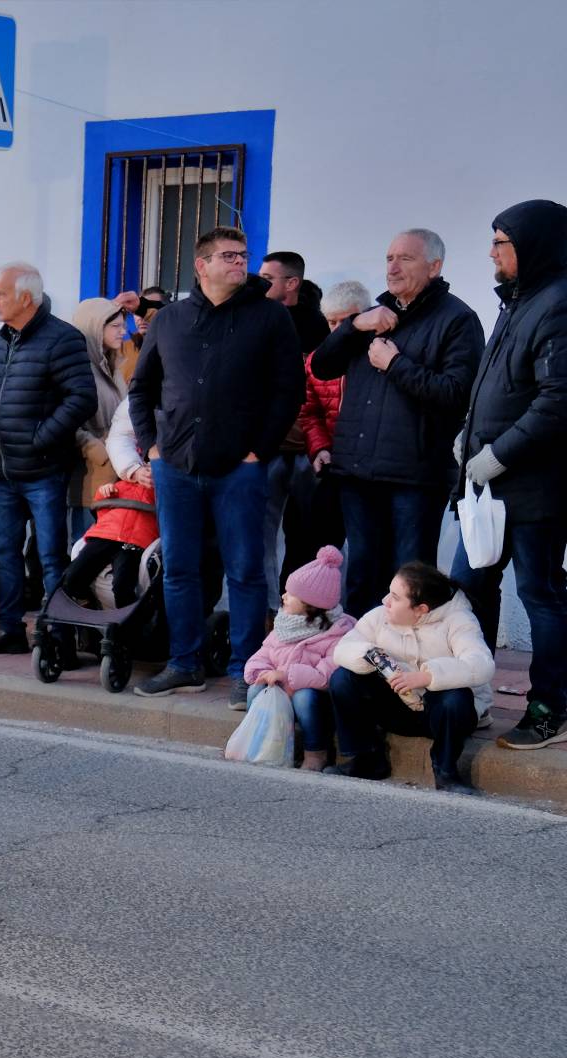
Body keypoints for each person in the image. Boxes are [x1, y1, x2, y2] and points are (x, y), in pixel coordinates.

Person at [130, 226, 304, 706]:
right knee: (181, 568)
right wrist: (152, 448)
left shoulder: (269, 318)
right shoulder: (169, 320)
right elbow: (142, 389)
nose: (239, 263)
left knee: (245, 570)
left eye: (243, 255)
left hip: (240, 469)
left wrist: (259, 452)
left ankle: (246, 672)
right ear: (201, 265)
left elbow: (289, 391)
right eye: (229, 255)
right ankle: (185, 663)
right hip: (177, 466)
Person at [311, 233, 485, 616]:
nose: (392, 266)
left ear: (435, 267)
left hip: (415, 474)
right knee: (361, 571)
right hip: (358, 470)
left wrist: (396, 365)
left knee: (409, 579)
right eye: (389, 257)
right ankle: (358, 667)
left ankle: (403, 667)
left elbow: (457, 394)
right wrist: (354, 324)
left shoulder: (458, 320)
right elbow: (322, 366)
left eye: (405, 258)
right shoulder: (373, 317)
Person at [450, 199, 567, 752]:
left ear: (534, 245)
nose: (492, 252)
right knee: (468, 589)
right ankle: (467, 697)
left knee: (541, 596)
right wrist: (468, 436)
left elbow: (557, 398)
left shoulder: (558, 303)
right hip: (488, 489)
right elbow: (498, 384)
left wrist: (499, 452)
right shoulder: (516, 302)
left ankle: (549, 707)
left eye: (502, 242)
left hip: (535, 487)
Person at [0, 263, 97, 657]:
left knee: (50, 558)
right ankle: (10, 629)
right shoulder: (0, 340)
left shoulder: (62, 339)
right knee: (4, 553)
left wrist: (41, 437)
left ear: (25, 298)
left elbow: (81, 398)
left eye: (0, 294)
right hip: (1, 472)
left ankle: (60, 639)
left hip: (43, 471)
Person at [328, 561, 494, 792]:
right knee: (343, 678)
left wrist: (427, 677)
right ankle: (367, 759)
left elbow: (482, 665)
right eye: (389, 592)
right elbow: (342, 649)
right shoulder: (379, 616)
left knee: (455, 697)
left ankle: (446, 772)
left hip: (442, 716)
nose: (386, 601)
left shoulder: (459, 620)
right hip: (400, 708)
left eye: (395, 598)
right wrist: (372, 656)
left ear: (421, 609)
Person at [283, 280, 364, 600]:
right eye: (332, 322)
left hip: (368, 469)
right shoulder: (317, 361)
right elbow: (310, 411)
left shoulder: (377, 358)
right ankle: (305, 614)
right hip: (331, 467)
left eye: (346, 321)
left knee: (366, 551)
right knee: (312, 546)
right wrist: (319, 448)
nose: (338, 330)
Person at [241, 546, 355, 771]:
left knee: (304, 697)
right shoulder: (285, 624)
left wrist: (286, 676)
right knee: (255, 690)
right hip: (282, 688)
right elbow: (262, 655)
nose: (283, 596)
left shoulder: (338, 632)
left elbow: (326, 676)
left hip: (318, 699)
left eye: (291, 594)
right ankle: (263, 742)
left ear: (311, 605)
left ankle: (316, 751)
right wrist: (259, 672)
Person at [68, 296, 128, 541]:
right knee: (86, 545)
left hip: (114, 476)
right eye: (115, 326)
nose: (123, 332)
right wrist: (97, 450)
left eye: (123, 326)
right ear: (95, 327)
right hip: (89, 476)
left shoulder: (113, 366)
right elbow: (68, 420)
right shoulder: (79, 369)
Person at [60, 473, 157, 613]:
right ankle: (90, 614)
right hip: (104, 535)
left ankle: (129, 629)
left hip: (136, 541)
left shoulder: (162, 488)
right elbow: (101, 514)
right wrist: (102, 493)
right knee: (70, 579)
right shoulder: (120, 484)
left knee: (122, 587)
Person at [258, 251, 329, 353]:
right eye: (259, 277)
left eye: (267, 278)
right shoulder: (252, 314)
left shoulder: (316, 323)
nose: (260, 282)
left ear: (291, 283)